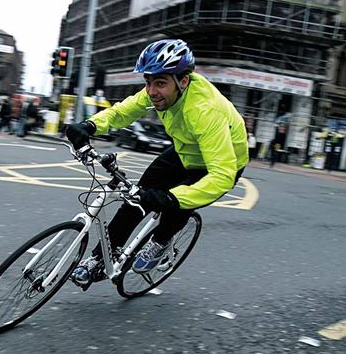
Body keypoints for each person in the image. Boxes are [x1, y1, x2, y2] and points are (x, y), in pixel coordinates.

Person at [65, 39, 248, 287]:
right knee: (134, 199)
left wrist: (171, 199)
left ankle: (161, 241)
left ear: (183, 81)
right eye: (148, 82)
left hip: (220, 162)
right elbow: (124, 110)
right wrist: (90, 125)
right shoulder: (161, 89)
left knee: (177, 204)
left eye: (159, 83)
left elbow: (222, 176)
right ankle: (98, 259)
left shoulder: (205, 111)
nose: (151, 91)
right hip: (185, 150)